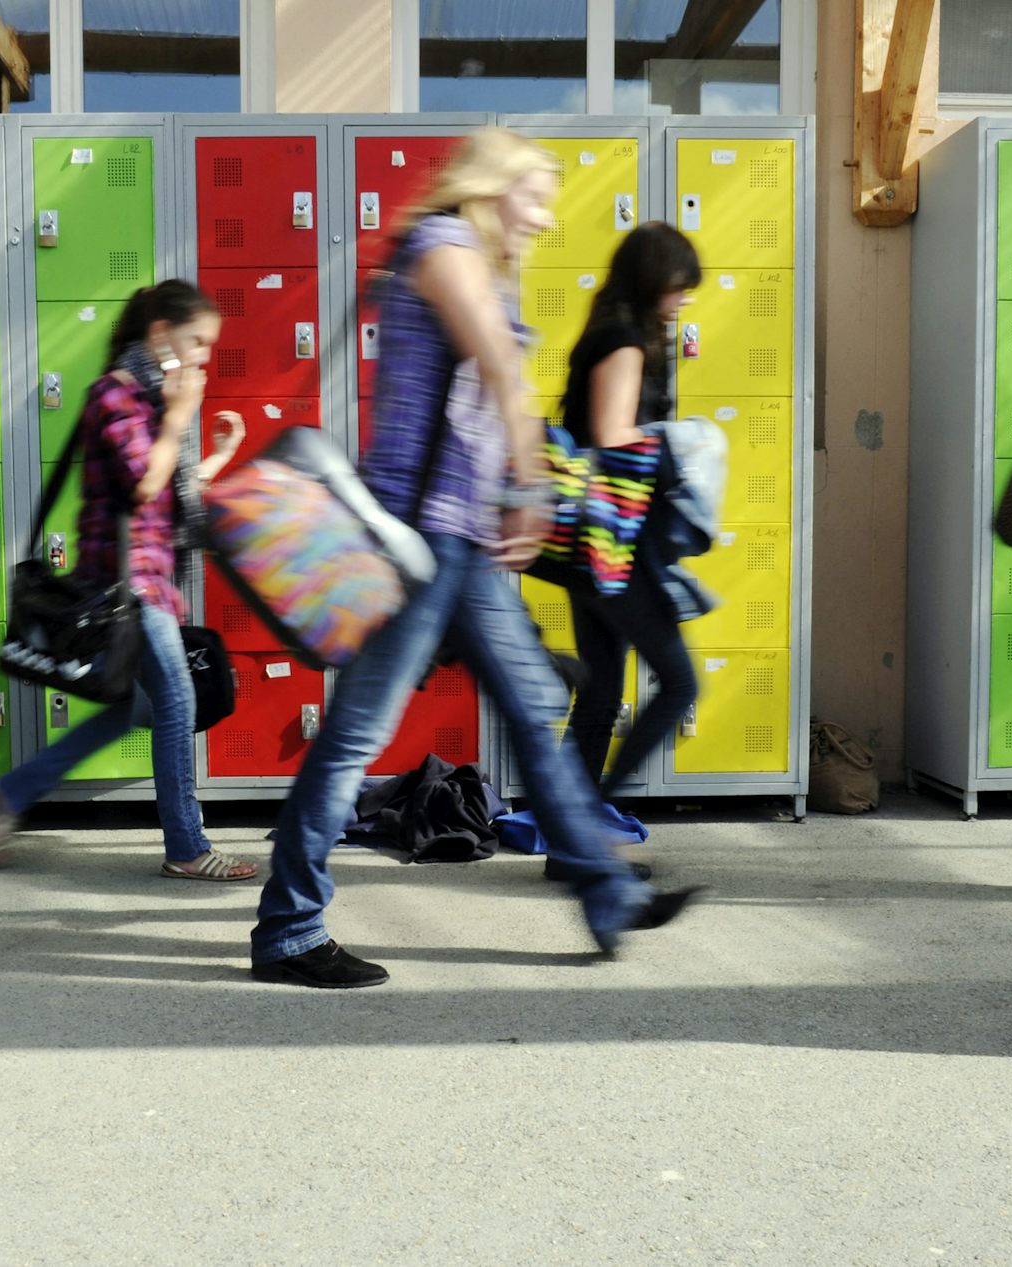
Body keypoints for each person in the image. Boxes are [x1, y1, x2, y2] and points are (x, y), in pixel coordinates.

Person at [250, 129, 702, 989]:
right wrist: (532, 484)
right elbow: (497, 362)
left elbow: (484, 403)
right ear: (490, 189)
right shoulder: (444, 243)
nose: (542, 215)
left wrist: (510, 490)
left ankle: (605, 895)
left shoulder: (477, 260)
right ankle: (288, 928)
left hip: (462, 541)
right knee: (353, 736)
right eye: (533, 194)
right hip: (420, 542)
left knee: (536, 712)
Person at [0, 280, 258, 883]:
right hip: (126, 587)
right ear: (160, 333)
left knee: (135, 708)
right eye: (197, 342)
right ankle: (187, 848)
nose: (204, 357)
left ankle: (11, 792)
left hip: (154, 581)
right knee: (177, 702)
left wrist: (217, 455)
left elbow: (172, 495)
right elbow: (142, 483)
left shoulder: (157, 402)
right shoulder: (115, 394)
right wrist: (181, 420)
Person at [560, 223, 710, 811]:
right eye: (679, 287)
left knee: (600, 697)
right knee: (679, 685)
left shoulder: (607, 332)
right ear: (655, 282)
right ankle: (591, 830)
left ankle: (571, 843)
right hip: (613, 542)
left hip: (591, 542)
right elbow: (611, 439)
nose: (685, 299)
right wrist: (686, 445)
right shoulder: (623, 343)